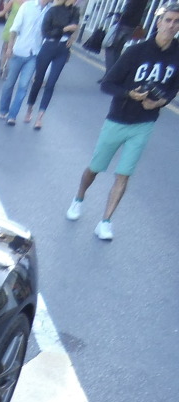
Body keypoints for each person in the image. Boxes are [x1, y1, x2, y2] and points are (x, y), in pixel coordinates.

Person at [66, 2, 179, 240]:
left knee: (124, 173)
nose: (171, 25)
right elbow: (107, 84)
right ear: (158, 22)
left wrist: (159, 102)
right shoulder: (136, 52)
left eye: (176, 22)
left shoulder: (177, 54)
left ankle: (105, 221)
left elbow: (173, 87)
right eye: (168, 20)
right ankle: (78, 198)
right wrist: (130, 94)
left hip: (145, 122)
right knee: (95, 168)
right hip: (118, 119)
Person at [23, 0, 80, 128]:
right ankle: (29, 110)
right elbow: (46, 32)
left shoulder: (75, 11)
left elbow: (75, 27)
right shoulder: (52, 10)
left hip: (63, 49)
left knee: (51, 84)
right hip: (48, 46)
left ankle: (40, 118)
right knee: (38, 80)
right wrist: (65, 29)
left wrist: (71, 36)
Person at [0, 0, 53, 122]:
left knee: (23, 85)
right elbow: (14, 28)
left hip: (34, 54)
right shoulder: (27, 6)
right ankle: (3, 110)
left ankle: (12, 116)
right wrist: (9, 47)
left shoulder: (50, 10)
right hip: (18, 51)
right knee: (9, 84)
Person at [104, 0, 148, 73]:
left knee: (110, 48)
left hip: (124, 26)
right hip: (132, 27)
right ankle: (114, 72)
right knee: (117, 49)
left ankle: (110, 73)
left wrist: (118, 15)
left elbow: (129, 12)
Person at [0, 0, 28, 77]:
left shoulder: (30, 3)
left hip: (21, 27)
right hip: (10, 25)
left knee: (13, 49)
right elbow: (4, 11)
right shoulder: (13, 1)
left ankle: (7, 69)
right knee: (5, 47)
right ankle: (1, 68)